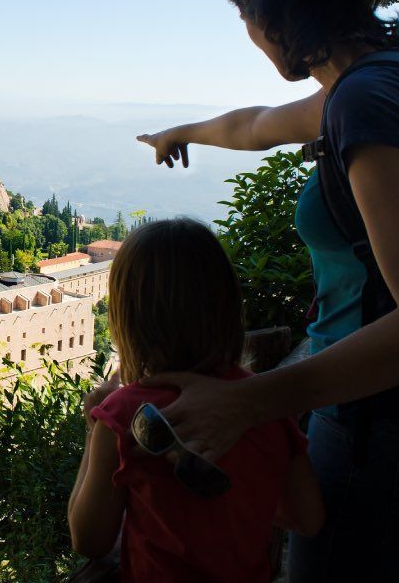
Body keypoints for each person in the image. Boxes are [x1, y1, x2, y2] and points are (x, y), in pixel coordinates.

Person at [130, 0, 399, 581]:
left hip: (389, 424)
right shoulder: (397, 76)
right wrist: (184, 133)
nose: (247, 32)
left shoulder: (368, 103)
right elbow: (259, 124)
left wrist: (248, 403)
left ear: (276, 7)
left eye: (242, 12)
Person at [68, 219, 323, 583]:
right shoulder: (261, 403)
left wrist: (94, 430)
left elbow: (88, 540)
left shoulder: (123, 414)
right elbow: (307, 517)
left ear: (129, 317)